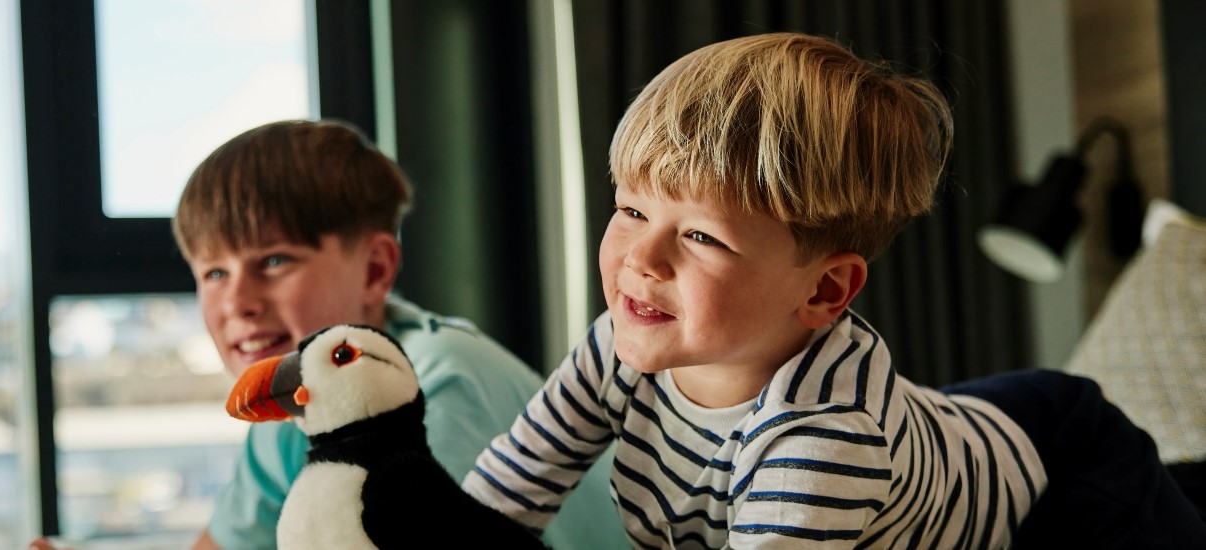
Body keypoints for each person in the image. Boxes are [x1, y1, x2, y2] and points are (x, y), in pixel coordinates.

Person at [460, 32, 1206, 549]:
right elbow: (505, 492)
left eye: (703, 237)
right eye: (630, 210)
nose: (641, 260)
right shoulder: (621, 343)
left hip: (1063, 478)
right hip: (952, 431)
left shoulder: (821, 442)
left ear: (825, 290)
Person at [30, 119, 626, 550]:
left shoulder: (430, 384)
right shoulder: (296, 404)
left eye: (273, 262)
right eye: (213, 273)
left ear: (374, 270)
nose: (236, 301)